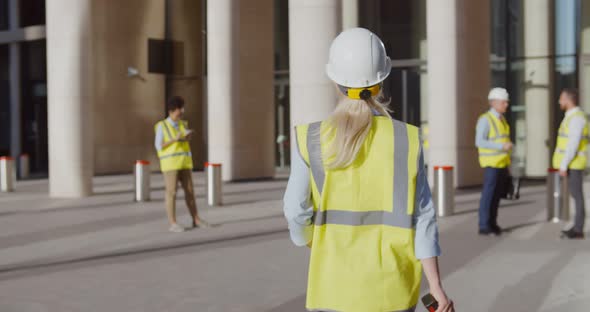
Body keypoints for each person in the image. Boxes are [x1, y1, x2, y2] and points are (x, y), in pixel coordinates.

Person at [283, 28, 453, 312]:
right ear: (381, 79)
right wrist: (436, 286)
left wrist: (309, 240)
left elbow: (295, 211)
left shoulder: (309, 138)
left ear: (335, 80)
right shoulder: (407, 139)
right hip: (393, 291)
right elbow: (423, 220)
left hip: (332, 290)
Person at [154, 96, 209, 233]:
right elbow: (159, 146)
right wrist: (175, 139)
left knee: (190, 192)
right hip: (170, 165)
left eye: (183, 108)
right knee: (171, 193)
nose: (182, 111)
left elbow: (183, 144)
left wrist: (187, 137)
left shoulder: (183, 124)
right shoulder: (162, 126)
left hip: (184, 163)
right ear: (172, 111)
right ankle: (173, 223)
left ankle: (196, 219)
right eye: (180, 109)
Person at [475, 88, 513, 236]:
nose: (506, 105)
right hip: (491, 164)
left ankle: (493, 223)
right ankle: (484, 226)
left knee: (497, 196)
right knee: (488, 196)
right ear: (494, 102)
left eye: (506, 102)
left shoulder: (502, 119)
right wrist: (501, 146)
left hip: (502, 163)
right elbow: (479, 141)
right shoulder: (485, 119)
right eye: (503, 102)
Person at [553, 88, 587, 239]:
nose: (559, 101)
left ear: (568, 100)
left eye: (561, 99)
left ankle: (578, 229)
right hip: (571, 163)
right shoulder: (570, 117)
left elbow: (572, 144)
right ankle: (576, 226)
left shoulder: (576, 118)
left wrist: (563, 165)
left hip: (574, 164)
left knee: (577, 196)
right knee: (575, 195)